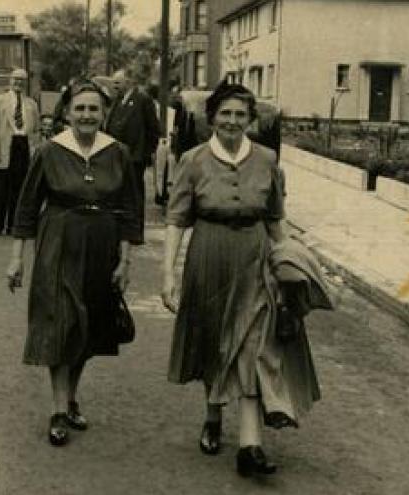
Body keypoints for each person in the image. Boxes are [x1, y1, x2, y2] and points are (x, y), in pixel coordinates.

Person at [161, 81, 322, 477]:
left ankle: (250, 445)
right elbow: (177, 220)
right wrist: (169, 273)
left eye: (240, 115)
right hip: (209, 256)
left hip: (255, 257)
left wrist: (288, 265)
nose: (232, 121)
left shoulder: (267, 160)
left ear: (251, 120)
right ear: (212, 117)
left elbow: (275, 220)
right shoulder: (193, 160)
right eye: (225, 114)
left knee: (252, 346)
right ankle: (213, 416)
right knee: (214, 341)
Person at [6, 79, 143, 447]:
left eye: (93, 109)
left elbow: (131, 210)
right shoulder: (49, 152)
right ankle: (57, 409)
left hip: (103, 246)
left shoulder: (118, 153)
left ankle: (69, 397)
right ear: (66, 113)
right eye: (79, 108)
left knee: (90, 326)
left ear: (104, 114)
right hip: (59, 242)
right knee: (61, 322)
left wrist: (126, 260)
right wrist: (17, 257)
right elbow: (26, 209)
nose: (86, 115)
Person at [0, 68, 41, 236]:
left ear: (26, 83)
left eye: (22, 80)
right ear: (10, 81)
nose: (18, 83)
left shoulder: (31, 104)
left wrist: (35, 149)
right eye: (16, 79)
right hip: (5, 146)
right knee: (0, 188)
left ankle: (13, 226)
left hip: (23, 145)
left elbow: (36, 130)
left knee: (20, 187)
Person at [105, 68, 161, 230]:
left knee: (135, 192)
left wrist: (146, 153)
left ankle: (135, 227)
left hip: (135, 157)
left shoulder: (143, 99)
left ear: (128, 82)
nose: (114, 86)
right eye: (113, 82)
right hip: (116, 156)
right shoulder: (117, 100)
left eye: (117, 82)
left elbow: (153, 129)